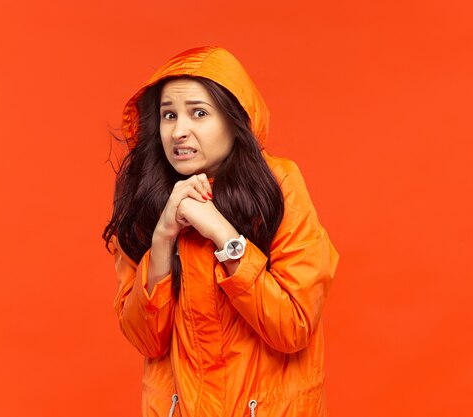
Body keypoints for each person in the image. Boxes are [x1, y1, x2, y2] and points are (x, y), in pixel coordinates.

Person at [103, 46, 339, 417]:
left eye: (199, 113)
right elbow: (147, 340)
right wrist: (164, 236)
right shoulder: (147, 201)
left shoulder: (279, 186)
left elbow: (294, 326)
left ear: (233, 119)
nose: (180, 131)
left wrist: (224, 235)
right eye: (168, 115)